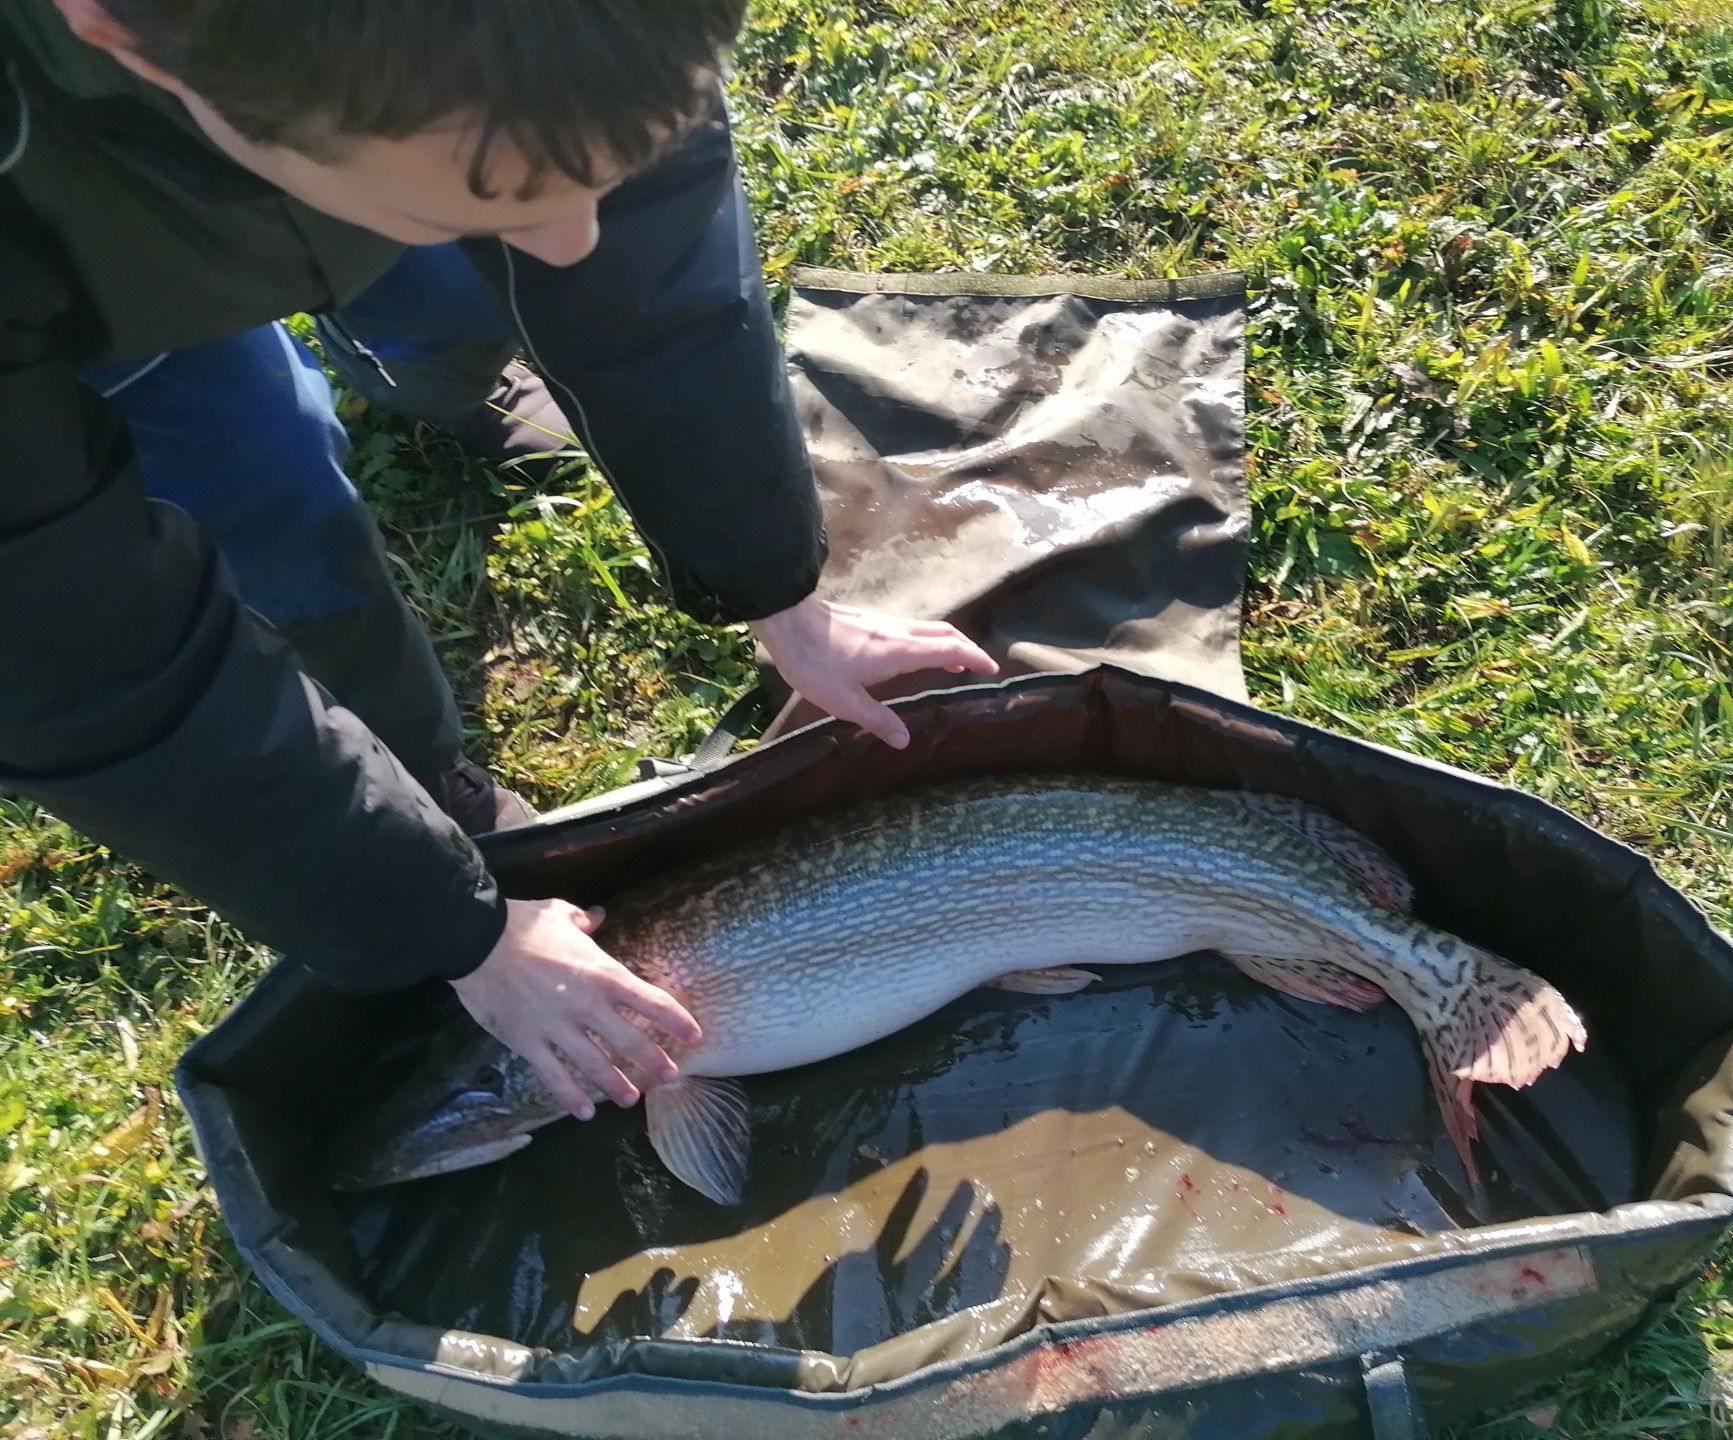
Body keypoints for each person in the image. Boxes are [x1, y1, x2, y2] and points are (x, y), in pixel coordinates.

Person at [0, 0, 997, 1121]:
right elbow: (97, 674)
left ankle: (426, 363)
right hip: (75, 258)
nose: (579, 242)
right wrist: (454, 926)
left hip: (327, 148)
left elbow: (656, 293)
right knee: (260, 479)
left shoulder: (572, 49)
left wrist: (780, 592)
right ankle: (430, 794)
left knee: (471, 285)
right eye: (492, 192)